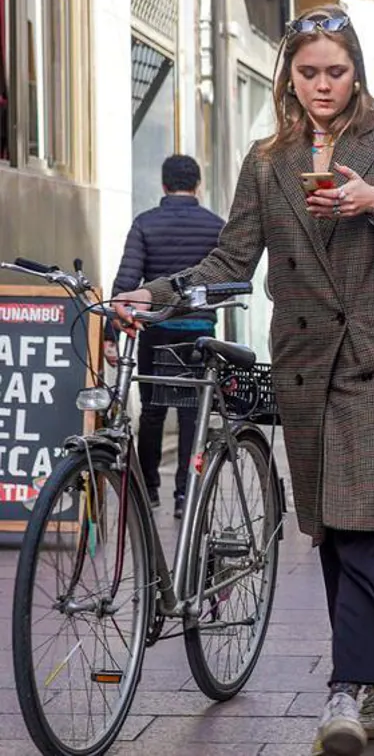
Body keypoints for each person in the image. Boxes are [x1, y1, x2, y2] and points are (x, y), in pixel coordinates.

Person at [113, 5, 374, 754]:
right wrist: (157, 293)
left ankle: (345, 689)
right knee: (335, 534)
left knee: (366, 527)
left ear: (357, 70)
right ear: (289, 76)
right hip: (306, 368)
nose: (321, 86)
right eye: (307, 73)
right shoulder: (268, 159)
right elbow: (230, 261)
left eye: (335, 71)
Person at [106, 155, 224, 518]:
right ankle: (184, 495)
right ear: (198, 185)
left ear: (163, 185)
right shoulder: (215, 226)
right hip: (198, 332)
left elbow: (126, 284)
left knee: (153, 411)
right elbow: (222, 283)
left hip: (156, 331)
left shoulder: (145, 224)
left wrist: (111, 335)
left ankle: (150, 491)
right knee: (192, 413)